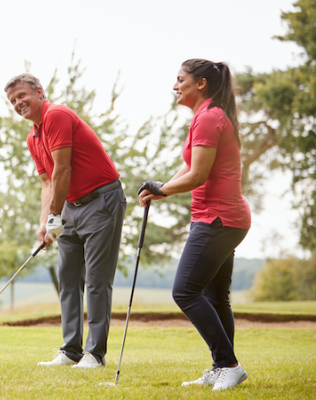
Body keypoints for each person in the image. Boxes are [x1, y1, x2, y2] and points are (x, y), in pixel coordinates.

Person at [138, 59, 251, 391]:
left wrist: (162, 188)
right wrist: (161, 190)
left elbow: (199, 175)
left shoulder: (209, 118)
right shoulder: (208, 115)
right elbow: (190, 168)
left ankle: (228, 364)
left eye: (180, 80)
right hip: (225, 219)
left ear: (200, 83)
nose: (175, 86)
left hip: (218, 219)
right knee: (215, 295)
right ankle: (222, 366)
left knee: (184, 291)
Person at [4, 74, 126, 369]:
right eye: (13, 101)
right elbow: (47, 182)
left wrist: (56, 216)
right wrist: (45, 222)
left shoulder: (56, 115)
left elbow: (63, 170)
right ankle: (71, 350)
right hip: (71, 205)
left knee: (96, 281)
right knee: (68, 279)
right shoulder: (32, 137)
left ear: (39, 92)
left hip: (101, 201)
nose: (19, 103)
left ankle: (94, 354)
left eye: (22, 96)